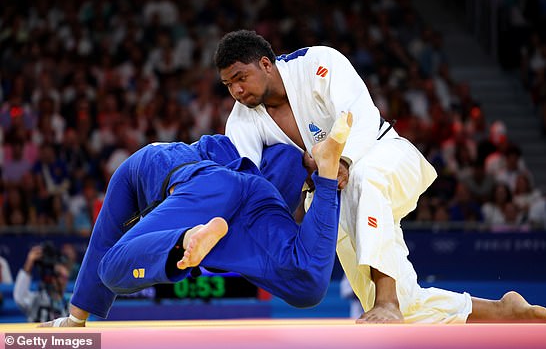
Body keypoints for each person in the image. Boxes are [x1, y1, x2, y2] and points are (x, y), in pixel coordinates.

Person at [215, 29, 546, 323]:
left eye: (240, 78)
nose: (237, 91)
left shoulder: (318, 64)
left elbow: (362, 115)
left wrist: (344, 160)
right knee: (407, 310)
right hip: (331, 197)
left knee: (365, 179)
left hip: (382, 155)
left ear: (265, 64)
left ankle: (387, 299)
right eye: (228, 85)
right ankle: (501, 310)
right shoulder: (243, 120)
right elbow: (245, 180)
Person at [41, 113, 352, 327]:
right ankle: (327, 173)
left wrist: (76, 319)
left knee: (111, 267)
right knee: (307, 282)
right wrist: (319, 179)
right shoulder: (275, 149)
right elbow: (285, 162)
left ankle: (186, 238)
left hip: (212, 190)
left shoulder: (144, 163)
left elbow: (104, 242)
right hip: (254, 191)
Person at [13, 244, 70, 322]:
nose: (61, 280)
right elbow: (19, 297)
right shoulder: (36, 300)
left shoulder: (71, 302)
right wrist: (29, 263)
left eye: (63, 277)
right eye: (57, 275)